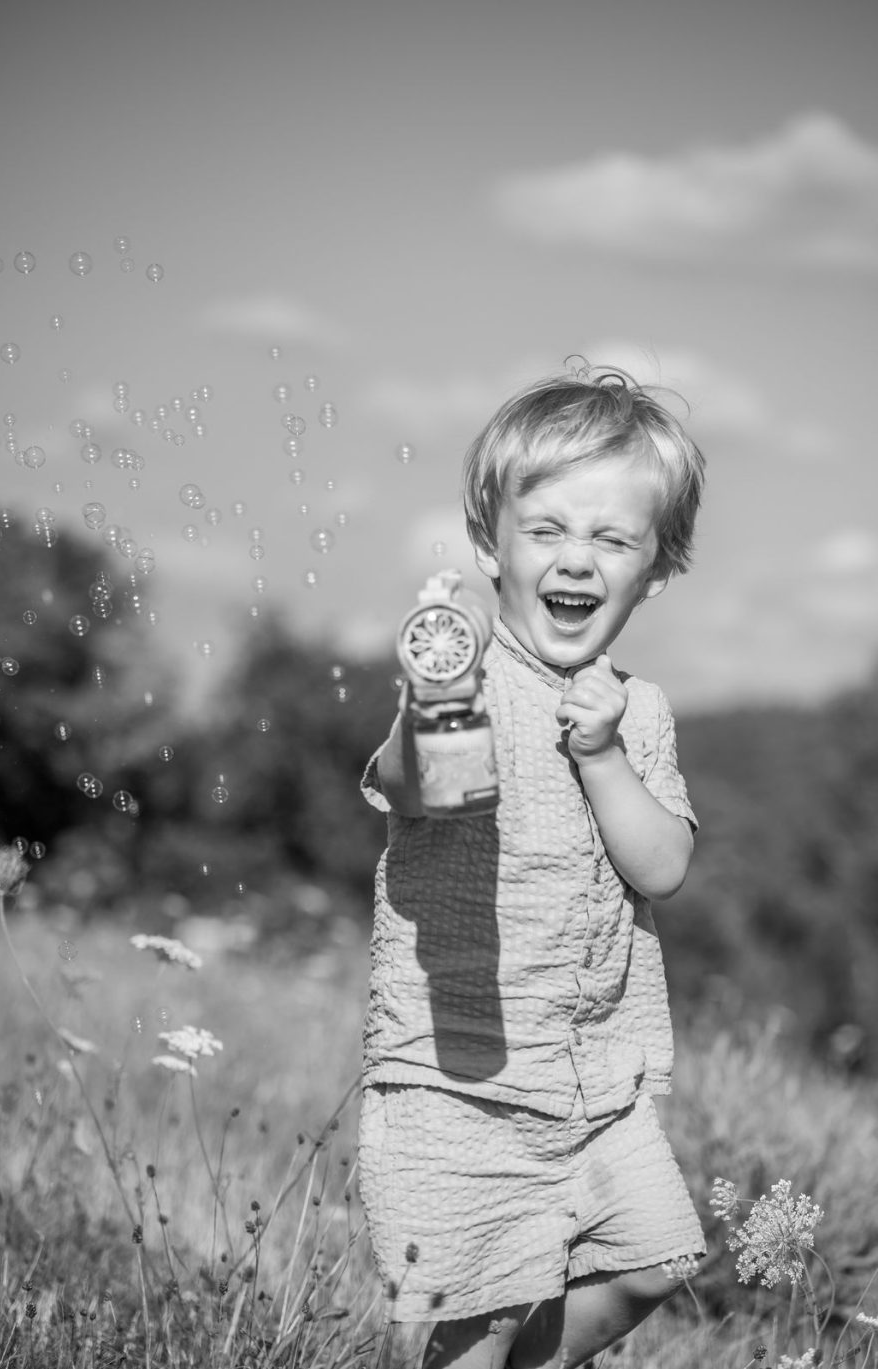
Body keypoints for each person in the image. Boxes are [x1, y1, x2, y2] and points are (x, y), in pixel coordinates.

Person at [358, 365, 707, 1369]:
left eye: (611, 538)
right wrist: (438, 712)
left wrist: (600, 754)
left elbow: (663, 865)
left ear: (657, 566)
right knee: (474, 1324)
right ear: (489, 547)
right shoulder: (460, 685)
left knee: (653, 1259)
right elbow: (407, 778)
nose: (576, 558)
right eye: (546, 530)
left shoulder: (636, 712)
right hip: (455, 1077)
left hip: (594, 1082)